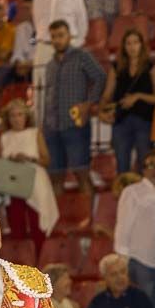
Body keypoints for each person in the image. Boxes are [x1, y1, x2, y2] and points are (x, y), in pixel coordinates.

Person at [43, 20, 105, 210]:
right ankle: (58, 223)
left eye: (61, 35)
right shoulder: (50, 64)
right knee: (55, 177)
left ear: (69, 36)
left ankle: (92, 217)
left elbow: (100, 77)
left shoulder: (82, 56)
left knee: (81, 173)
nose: (57, 40)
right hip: (52, 126)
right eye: (54, 36)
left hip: (75, 125)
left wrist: (89, 104)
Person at [114, 148, 155, 308]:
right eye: (151, 165)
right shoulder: (133, 192)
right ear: (143, 169)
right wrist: (122, 259)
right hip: (142, 260)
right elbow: (123, 225)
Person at [31, 0, 89, 123]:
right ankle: (40, 130)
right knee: (40, 91)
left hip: (67, 50)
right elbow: (37, 25)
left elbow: (83, 26)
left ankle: (70, 125)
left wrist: (71, 48)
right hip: (44, 47)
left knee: (68, 91)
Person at [101, 29, 155, 174]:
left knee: (146, 165)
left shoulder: (151, 66)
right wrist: (102, 110)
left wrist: (138, 96)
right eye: (128, 43)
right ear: (124, 46)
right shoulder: (116, 68)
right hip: (121, 121)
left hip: (144, 121)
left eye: (135, 43)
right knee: (122, 167)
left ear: (142, 45)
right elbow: (107, 95)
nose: (132, 47)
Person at [0, 98, 60, 241]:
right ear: (8, 118)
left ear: (26, 116)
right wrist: (11, 160)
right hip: (13, 186)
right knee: (16, 227)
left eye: (20, 114)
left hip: (36, 184)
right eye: (13, 115)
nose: (17, 119)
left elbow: (46, 160)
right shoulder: (4, 137)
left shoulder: (35, 133)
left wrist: (29, 158)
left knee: (37, 227)